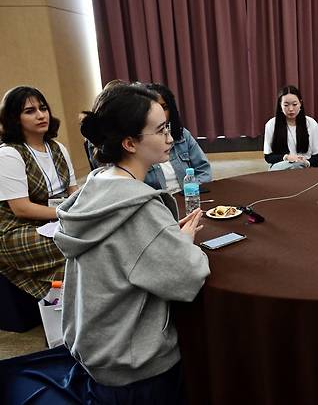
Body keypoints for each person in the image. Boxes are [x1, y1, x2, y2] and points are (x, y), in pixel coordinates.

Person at [53, 84, 210, 403]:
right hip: (137, 369)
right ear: (129, 142)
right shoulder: (138, 210)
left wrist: (165, 239)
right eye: (161, 129)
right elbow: (188, 277)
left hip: (97, 354)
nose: (170, 137)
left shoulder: (95, 187)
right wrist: (184, 242)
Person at [0, 86, 77, 299]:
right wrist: (69, 214)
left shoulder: (57, 148)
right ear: (15, 119)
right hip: (16, 230)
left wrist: (79, 212)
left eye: (43, 108)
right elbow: (21, 209)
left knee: (92, 235)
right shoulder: (9, 154)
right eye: (30, 111)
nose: (41, 115)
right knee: (77, 241)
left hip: (55, 221)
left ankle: (83, 298)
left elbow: (73, 192)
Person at [144, 83, 211, 193]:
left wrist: (190, 192)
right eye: (154, 108)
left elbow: (203, 170)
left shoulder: (182, 134)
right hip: (158, 203)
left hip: (188, 197)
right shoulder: (140, 141)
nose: (160, 113)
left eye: (164, 107)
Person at [263, 85, 318, 170]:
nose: (291, 109)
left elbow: (317, 155)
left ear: (300, 103)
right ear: (280, 105)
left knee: (298, 165)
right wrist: (286, 157)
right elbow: (268, 157)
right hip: (281, 166)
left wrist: (306, 162)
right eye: (286, 105)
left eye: (294, 104)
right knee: (295, 165)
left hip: (306, 166)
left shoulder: (311, 123)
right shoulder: (271, 124)